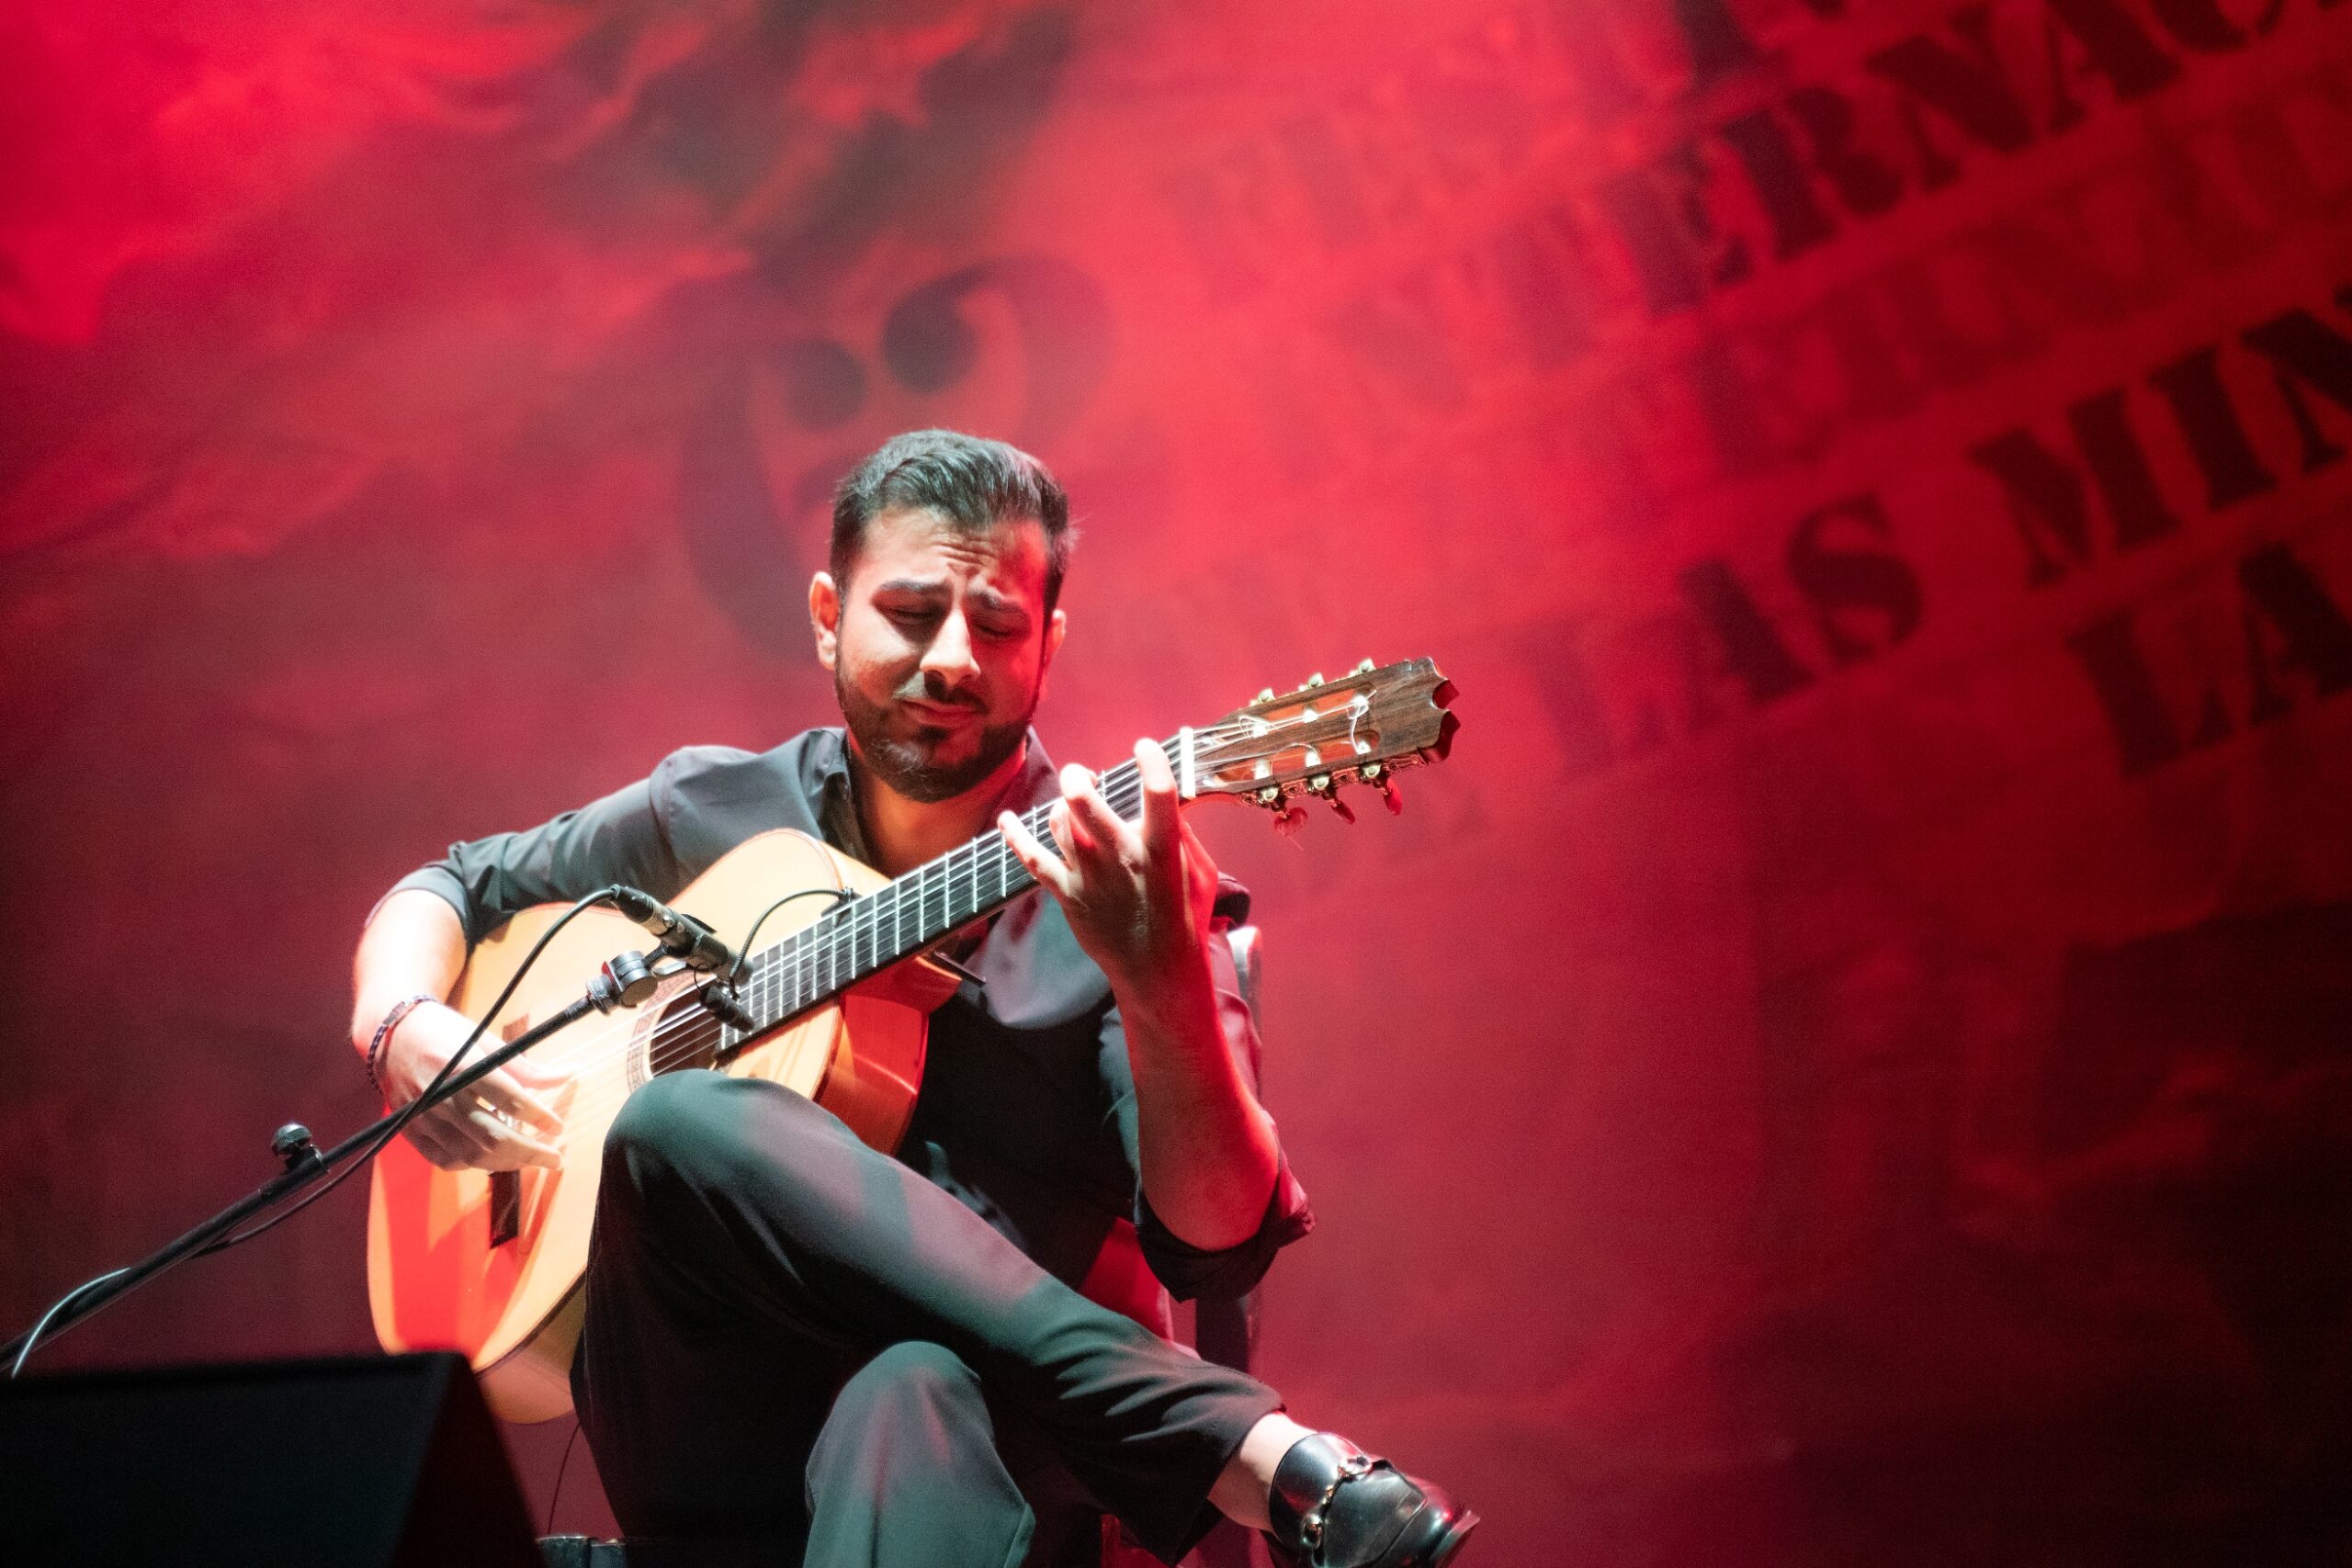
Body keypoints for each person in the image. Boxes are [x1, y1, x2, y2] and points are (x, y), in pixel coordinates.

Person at [349, 430, 1475, 1568]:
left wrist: (1159, 984)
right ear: (828, 615)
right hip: (700, 1420)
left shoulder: (1128, 900)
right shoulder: (713, 811)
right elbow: (451, 883)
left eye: (995, 625)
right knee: (665, 1121)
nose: (952, 659)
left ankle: (1236, 1456)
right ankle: (1253, 1456)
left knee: (914, 1385)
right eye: (909, 611)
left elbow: (1218, 1249)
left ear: (1049, 648)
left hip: (973, 1449)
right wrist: (404, 1024)